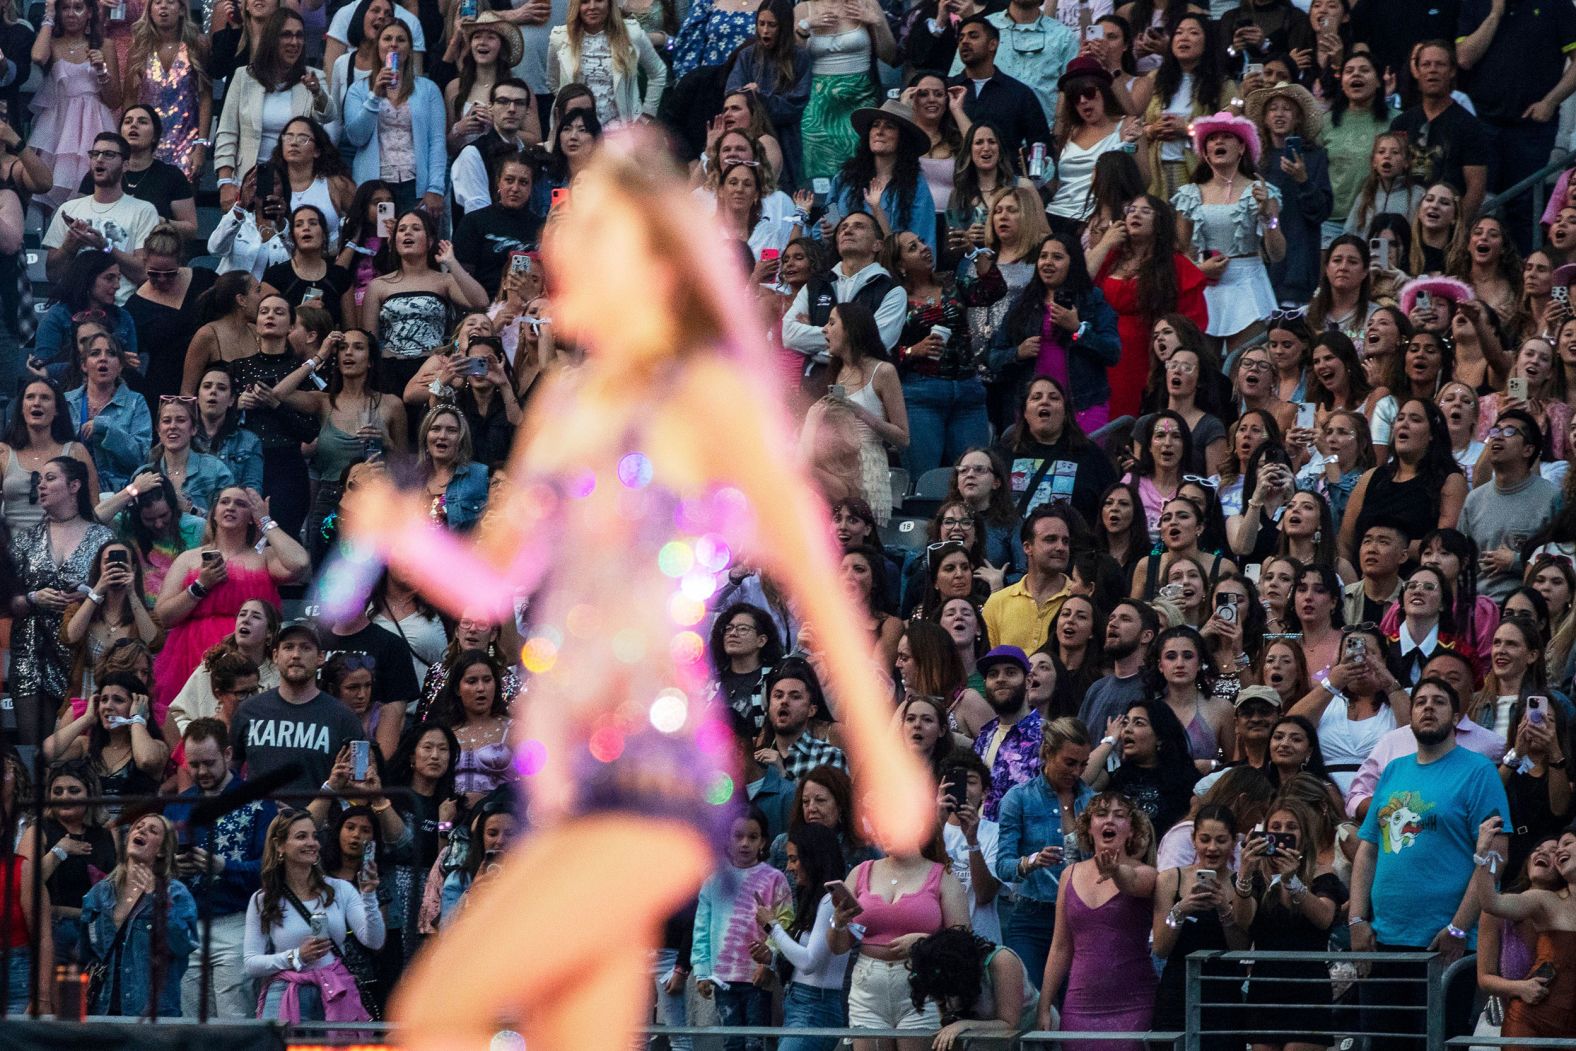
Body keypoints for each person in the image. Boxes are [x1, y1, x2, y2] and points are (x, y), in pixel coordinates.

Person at [1350, 676, 1513, 1050]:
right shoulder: (1394, 770)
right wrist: (1357, 919)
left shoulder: (1478, 772)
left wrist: (1458, 928)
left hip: (1446, 946)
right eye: (1420, 700)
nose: (1427, 707)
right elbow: (1369, 849)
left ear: (1457, 716)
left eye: (1439, 702)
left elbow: (1496, 856)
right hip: (1384, 941)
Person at [162, 718, 275, 1019]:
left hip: (237, 921)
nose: (201, 772)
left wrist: (225, 867)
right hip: (188, 923)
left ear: (227, 755)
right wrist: (173, 867)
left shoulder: (258, 803)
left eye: (209, 763)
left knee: (234, 1021)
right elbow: (155, 866)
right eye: (193, 764)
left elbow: (271, 868)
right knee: (191, 1021)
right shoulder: (178, 805)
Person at [1036, 791, 1158, 1049]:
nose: (1109, 821)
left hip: (1132, 1004)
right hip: (1079, 1006)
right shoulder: (1069, 874)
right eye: (1101, 814)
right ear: (1089, 828)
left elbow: (1132, 883)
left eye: (1119, 815)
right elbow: (1060, 946)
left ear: (1132, 830)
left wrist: (1115, 871)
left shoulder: (1147, 873)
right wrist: (1044, 1005)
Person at [827, 834, 970, 1051]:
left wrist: (925, 942)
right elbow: (838, 947)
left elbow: (964, 943)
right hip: (868, 989)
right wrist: (838, 923)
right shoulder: (861, 872)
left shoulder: (943, 875)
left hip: (922, 984)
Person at [8, 456, 112, 748]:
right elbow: (5, 600)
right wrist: (33, 597)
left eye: (50, 478)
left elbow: (121, 596)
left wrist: (91, 595)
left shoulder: (103, 538)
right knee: (34, 748)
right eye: (40, 479)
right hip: (31, 652)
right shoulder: (26, 540)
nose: (41, 485)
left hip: (82, 653)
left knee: (77, 746)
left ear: (75, 486)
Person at [1231, 796, 1348, 1051]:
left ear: (1304, 834)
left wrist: (1293, 882)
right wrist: (1244, 874)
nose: (1282, 833)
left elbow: (1324, 918)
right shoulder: (1258, 878)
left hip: (1307, 986)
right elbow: (1242, 921)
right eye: (1276, 828)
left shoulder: (1321, 873)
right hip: (1265, 985)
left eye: (1291, 828)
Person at [244, 809, 382, 1023]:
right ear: (280, 845)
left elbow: (374, 941)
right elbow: (252, 963)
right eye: (301, 836)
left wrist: (369, 895)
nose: (312, 843)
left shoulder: (340, 889)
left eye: (314, 836)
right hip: (286, 991)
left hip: (335, 990)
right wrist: (296, 956)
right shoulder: (263, 899)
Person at [993, 716, 1094, 987]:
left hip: (1079, 917)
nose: (1077, 772)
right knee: (1032, 997)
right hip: (1032, 916)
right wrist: (1031, 861)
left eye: (1083, 764)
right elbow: (1003, 865)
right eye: (1070, 762)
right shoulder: (1019, 798)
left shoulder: (1092, 801)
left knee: (1071, 1000)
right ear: (1048, 753)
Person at [1088, 192, 1208, 417]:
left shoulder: (1175, 264)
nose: (1136, 215)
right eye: (1131, 210)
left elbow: (1192, 320)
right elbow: (1080, 284)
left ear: (1160, 220)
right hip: (1105, 352)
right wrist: (1104, 244)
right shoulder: (1111, 258)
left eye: (1145, 211)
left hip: (1148, 357)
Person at [989, 232, 1122, 433]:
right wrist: (1017, 353)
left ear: (1073, 262)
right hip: (1033, 410)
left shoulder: (1092, 300)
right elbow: (994, 357)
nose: (1048, 263)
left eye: (1057, 257)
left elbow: (1112, 352)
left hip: (1084, 404)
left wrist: (1078, 330)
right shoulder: (1022, 303)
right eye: (1043, 256)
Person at [213, 9, 337, 216]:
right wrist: (225, 181)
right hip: (250, 179)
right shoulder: (244, 77)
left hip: (295, 183)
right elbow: (227, 132)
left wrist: (317, 92)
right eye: (286, 35)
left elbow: (328, 115)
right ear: (272, 39)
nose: (294, 42)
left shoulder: (314, 78)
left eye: (299, 36)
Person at [887, 229, 988, 478]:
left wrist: (973, 252)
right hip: (921, 396)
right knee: (925, 478)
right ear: (900, 266)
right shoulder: (895, 298)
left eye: (922, 240)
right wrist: (912, 350)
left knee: (976, 474)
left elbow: (993, 290)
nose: (924, 247)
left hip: (968, 393)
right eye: (912, 247)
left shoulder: (951, 281)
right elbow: (881, 350)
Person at [693, 808, 792, 1051]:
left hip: (758, 978)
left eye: (753, 837)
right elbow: (701, 928)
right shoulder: (714, 880)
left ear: (764, 841)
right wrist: (702, 971)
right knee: (732, 1044)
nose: (745, 843)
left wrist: (768, 962)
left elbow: (786, 921)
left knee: (756, 1043)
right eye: (738, 836)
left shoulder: (775, 878)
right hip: (723, 978)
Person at [79, 812, 197, 1017]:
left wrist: (157, 899)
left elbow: (182, 945)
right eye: (138, 826)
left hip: (152, 1013)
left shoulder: (175, 893)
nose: (142, 830)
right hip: (102, 1009)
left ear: (162, 851)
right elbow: (85, 953)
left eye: (153, 831)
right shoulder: (100, 892)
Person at [1471, 817, 1576, 1043]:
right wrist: (1482, 854)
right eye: (1537, 850)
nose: (1550, 853)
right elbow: (1491, 903)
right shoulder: (1537, 901)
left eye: (1558, 849)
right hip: (1525, 1019)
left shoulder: (1559, 901)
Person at [802, 303, 909, 524]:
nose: (824, 329)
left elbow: (903, 438)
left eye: (832, 323)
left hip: (866, 467)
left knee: (864, 540)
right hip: (834, 468)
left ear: (851, 329)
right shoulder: (836, 372)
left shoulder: (884, 371)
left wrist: (860, 412)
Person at [361, 209, 489, 392]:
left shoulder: (443, 280)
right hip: (389, 369)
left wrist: (451, 263)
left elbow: (481, 302)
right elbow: (369, 340)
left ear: (430, 241)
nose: (407, 233)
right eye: (402, 229)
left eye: (416, 228)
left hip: (430, 368)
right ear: (394, 240)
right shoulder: (378, 285)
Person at [1151, 804, 1246, 1042]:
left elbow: (1242, 950)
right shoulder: (1170, 879)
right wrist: (1181, 910)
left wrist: (1224, 909)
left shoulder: (1241, 885)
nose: (1212, 848)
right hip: (1178, 989)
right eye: (1205, 839)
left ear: (1233, 842)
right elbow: (1161, 948)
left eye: (1221, 840)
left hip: (1223, 992)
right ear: (1193, 840)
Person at [756, 822, 852, 1051]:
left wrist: (773, 926)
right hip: (800, 1003)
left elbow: (809, 962)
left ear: (814, 858)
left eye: (794, 859)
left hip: (814, 1008)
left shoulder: (830, 901)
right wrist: (772, 956)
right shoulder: (815, 900)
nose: (788, 867)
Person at [1341, 398, 1469, 563]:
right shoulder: (1371, 477)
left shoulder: (1451, 481)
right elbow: (1345, 542)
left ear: (1432, 434)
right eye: (1400, 419)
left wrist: (1387, 549)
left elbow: (1442, 544)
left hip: (1417, 582)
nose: (1404, 424)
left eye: (1415, 419)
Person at [343, 22, 447, 217]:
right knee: (380, 241)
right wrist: (374, 96)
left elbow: (437, 141)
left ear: (409, 48)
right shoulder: (358, 90)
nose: (393, 44)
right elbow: (357, 137)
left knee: (414, 242)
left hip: (416, 186)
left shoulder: (428, 89)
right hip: (378, 188)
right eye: (387, 39)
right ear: (378, 46)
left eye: (401, 39)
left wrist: (435, 187)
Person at [42, 132, 159, 300]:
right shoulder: (68, 208)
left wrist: (105, 246)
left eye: (109, 154)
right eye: (95, 154)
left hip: (120, 307)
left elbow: (144, 273)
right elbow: (52, 274)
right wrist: (69, 246)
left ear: (125, 165)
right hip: (73, 306)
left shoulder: (143, 210)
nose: (99, 159)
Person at [27, 0, 118, 210]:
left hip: (93, 121)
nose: (71, 14)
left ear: (89, 13)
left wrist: (102, 70)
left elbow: (114, 100)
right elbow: (37, 56)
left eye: (78, 8)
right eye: (65, 8)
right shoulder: (52, 44)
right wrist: (49, 14)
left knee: (91, 185)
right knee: (55, 185)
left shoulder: (105, 45)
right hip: (59, 124)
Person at [1461, 409, 1560, 601]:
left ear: (1528, 450)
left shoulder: (1551, 497)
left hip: (1527, 607)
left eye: (1509, 432)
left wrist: (1516, 561)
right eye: (1495, 432)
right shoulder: (1474, 499)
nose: (1498, 438)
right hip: (1478, 610)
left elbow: (1562, 561)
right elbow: (1461, 561)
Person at [1387, 41, 1488, 221]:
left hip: (1446, 225)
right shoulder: (1401, 124)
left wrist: (1455, 229)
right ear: (1416, 71)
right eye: (1426, 64)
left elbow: (1476, 189)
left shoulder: (1470, 127)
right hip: (1402, 223)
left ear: (1452, 71)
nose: (1432, 70)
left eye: (1440, 64)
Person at [996, 376, 1118, 519]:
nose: (1045, 401)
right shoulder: (1002, 455)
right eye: (1036, 397)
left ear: (1065, 413)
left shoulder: (1092, 457)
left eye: (1054, 398)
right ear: (1025, 413)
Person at [904, 926, 1039, 1049]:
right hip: (983, 1042)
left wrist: (964, 1025)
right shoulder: (940, 979)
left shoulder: (1001, 960)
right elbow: (948, 1024)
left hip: (1029, 1037)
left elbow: (1009, 1024)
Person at [546, 0, 666, 128]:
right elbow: (553, 82)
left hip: (621, 133)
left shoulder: (631, 34)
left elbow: (658, 72)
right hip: (578, 132)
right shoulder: (560, 38)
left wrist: (646, 114)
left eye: (599, 0)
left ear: (610, 4)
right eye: (585, 2)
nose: (592, 7)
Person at [947, 16, 1051, 158]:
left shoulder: (1019, 94)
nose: (964, 42)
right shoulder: (948, 90)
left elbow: (1040, 145)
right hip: (954, 176)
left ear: (992, 44)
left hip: (1006, 177)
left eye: (973, 36)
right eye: (961, 38)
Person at [64, 331, 151, 495]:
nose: (103, 358)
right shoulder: (66, 402)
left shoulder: (136, 402)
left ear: (120, 366)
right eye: (95, 353)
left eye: (111, 353)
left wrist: (107, 427)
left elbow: (140, 457)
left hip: (121, 494)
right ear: (84, 365)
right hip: (73, 491)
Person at [982, 506, 1074, 656]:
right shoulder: (997, 603)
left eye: (1065, 541)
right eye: (1050, 539)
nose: (1061, 547)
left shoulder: (1078, 598)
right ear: (1027, 547)